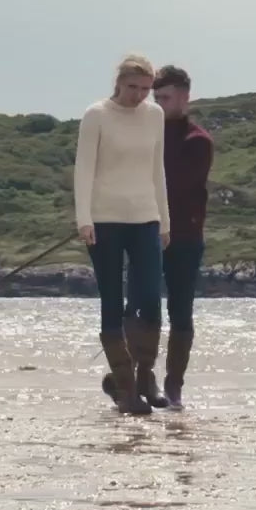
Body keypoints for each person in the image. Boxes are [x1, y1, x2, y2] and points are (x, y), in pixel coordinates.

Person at [111, 64, 214, 411]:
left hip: (184, 236)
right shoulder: (144, 132)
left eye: (165, 98)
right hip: (145, 231)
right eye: (155, 97)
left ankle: (174, 384)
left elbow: (174, 183)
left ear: (184, 97)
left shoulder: (197, 141)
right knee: (140, 306)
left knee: (180, 311)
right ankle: (142, 377)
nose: (156, 104)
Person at [74, 54, 170, 416]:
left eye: (146, 90)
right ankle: (126, 390)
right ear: (119, 83)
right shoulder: (96, 114)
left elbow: (156, 168)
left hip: (145, 215)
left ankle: (145, 376)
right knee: (112, 299)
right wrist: (84, 218)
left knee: (149, 297)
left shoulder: (154, 115)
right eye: (133, 87)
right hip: (104, 218)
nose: (139, 96)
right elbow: (83, 169)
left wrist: (165, 222)